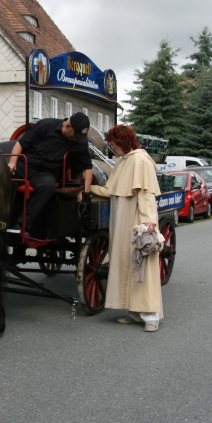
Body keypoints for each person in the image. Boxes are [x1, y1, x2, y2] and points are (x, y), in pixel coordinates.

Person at [89, 125, 163, 333]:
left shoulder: (140, 160)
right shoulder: (123, 161)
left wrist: (149, 222)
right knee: (127, 264)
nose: (112, 148)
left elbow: (146, 193)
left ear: (123, 142)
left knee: (142, 265)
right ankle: (135, 311)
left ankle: (151, 316)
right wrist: (87, 189)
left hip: (136, 220)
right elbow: (111, 190)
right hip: (122, 221)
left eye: (113, 144)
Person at [7, 112, 93, 235]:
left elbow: (87, 167)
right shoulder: (46, 125)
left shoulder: (79, 143)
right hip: (26, 165)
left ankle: (22, 226)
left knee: (47, 186)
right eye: (75, 134)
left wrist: (85, 190)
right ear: (68, 126)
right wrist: (12, 162)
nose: (76, 138)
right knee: (5, 177)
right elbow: (20, 144)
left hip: (47, 173)